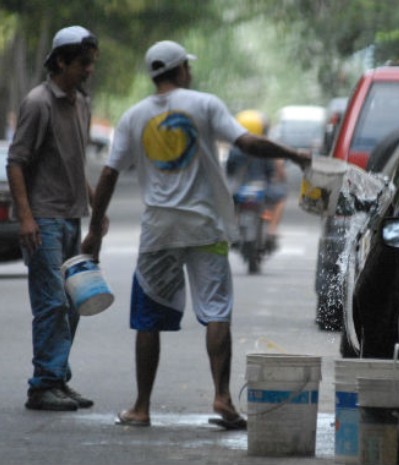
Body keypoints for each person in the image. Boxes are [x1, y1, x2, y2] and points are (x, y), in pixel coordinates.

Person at [81, 40, 310, 428]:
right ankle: (222, 397)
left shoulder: (134, 116)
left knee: (148, 318)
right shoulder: (205, 105)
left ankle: (141, 407)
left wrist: (94, 231)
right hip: (206, 228)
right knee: (217, 310)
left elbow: (109, 173)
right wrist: (293, 154)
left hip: (159, 231)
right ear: (181, 69)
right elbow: (248, 142)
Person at [6, 25, 100, 411]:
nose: (88, 69)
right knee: (51, 303)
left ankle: (57, 377)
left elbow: (74, 162)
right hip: (43, 219)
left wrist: (97, 206)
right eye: (83, 63)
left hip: (72, 217)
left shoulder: (81, 103)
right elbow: (16, 162)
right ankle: (43, 385)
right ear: (60, 61)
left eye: (91, 63)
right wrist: (26, 218)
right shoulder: (38, 102)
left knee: (75, 300)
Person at [226, 109, 288, 251]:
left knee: (228, 204)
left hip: (238, 189)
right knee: (281, 198)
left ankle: (232, 227)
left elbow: (229, 170)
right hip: (262, 189)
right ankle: (272, 229)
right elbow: (271, 172)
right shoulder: (266, 148)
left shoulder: (235, 149)